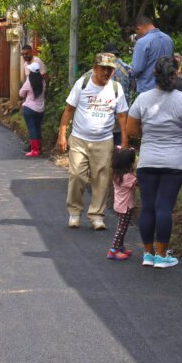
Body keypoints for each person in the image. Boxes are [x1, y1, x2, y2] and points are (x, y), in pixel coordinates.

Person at [123, 56, 182, 268]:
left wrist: (149, 133)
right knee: (164, 207)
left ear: (154, 74)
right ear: (176, 73)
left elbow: (131, 129)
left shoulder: (143, 99)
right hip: (175, 163)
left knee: (148, 206)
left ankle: (148, 254)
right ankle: (161, 255)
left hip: (148, 161)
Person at [57, 52, 130, 230]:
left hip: (104, 141)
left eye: (110, 69)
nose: (106, 72)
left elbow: (122, 116)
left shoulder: (116, 89)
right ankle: (74, 212)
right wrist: (62, 134)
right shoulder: (82, 84)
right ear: (95, 68)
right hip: (79, 139)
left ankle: (97, 215)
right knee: (76, 175)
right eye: (103, 69)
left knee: (102, 179)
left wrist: (125, 142)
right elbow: (69, 110)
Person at [107, 147, 138, 261]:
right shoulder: (128, 177)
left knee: (121, 227)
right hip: (126, 207)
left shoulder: (117, 175)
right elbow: (138, 183)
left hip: (119, 205)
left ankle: (120, 247)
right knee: (121, 229)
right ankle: (113, 251)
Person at [130, 16, 174, 94]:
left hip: (147, 89)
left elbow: (136, 69)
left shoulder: (142, 42)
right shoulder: (168, 39)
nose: (137, 35)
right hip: (166, 89)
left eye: (136, 32)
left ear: (139, 28)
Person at [19, 62, 46, 157]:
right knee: (37, 128)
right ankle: (39, 149)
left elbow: (21, 94)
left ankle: (34, 150)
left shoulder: (28, 82)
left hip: (29, 109)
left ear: (31, 72)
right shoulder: (43, 82)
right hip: (40, 109)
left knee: (32, 129)